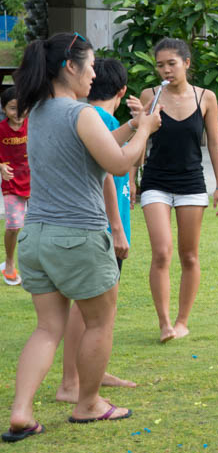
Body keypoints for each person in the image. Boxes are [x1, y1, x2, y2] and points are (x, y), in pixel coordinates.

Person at [1, 32, 161, 442]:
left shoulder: (39, 112)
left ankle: (21, 412)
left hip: (36, 237)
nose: (94, 74)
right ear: (69, 67)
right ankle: (88, 404)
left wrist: (131, 125)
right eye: (89, 65)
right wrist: (145, 131)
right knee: (99, 323)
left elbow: (96, 150)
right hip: (79, 236)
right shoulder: (80, 113)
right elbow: (120, 163)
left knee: (46, 329)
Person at [56, 58, 137, 403]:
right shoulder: (97, 119)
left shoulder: (96, 118)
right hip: (100, 230)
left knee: (96, 309)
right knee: (88, 309)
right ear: (121, 90)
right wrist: (116, 228)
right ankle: (71, 382)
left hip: (98, 228)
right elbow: (106, 172)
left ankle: (92, 372)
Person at [139, 38, 218, 343]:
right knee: (161, 252)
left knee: (189, 256)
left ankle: (182, 320)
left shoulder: (206, 97)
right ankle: (164, 323)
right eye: (160, 64)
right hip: (156, 181)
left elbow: (214, 143)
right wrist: (134, 171)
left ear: (187, 63)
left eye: (171, 63)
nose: (165, 69)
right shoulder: (151, 94)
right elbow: (141, 135)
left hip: (191, 182)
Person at [0, 86, 29, 286]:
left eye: (21, 108)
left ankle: (39, 265)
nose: (17, 113)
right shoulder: (1, 130)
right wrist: (1, 166)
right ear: (3, 109)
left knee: (40, 224)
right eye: (12, 108)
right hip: (11, 182)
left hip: (35, 181)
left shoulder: (34, 125)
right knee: (14, 224)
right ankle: (9, 262)